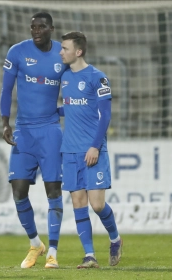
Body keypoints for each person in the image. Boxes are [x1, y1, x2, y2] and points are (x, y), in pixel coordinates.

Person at [0, 12, 67, 269]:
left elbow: (72, 93)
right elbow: (6, 90)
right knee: (18, 190)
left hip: (50, 131)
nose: (35, 30)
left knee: (53, 192)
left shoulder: (63, 54)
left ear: (52, 28)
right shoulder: (17, 52)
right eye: (33, 27)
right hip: (23, 131)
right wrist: (5, 123)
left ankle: (52, 251)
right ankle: (35, 243)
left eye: (41, 27)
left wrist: (59, 113)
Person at [59, 31, 123, 269]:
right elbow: (72, 106)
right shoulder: (65, 77)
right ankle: (90, 256)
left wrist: (95, 146)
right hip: (70, 151)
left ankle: (115, 238)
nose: (60, 52)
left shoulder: (98, 78)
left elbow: (105, 114)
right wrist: (53, 112)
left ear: (79, 51)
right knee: (78, 203)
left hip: (92, 150)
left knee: (96, 205)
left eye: (64, 48)